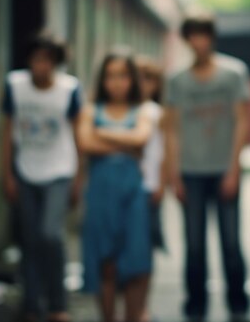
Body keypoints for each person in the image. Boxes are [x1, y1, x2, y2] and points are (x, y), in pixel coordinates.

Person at [165, 14, 250, 321]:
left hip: (223, 169)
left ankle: (238, 304)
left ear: (211, 37)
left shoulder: (233, 73)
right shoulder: (177, 80)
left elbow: (242, 120)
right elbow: (172, 129)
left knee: (230, 242)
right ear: (187, 40)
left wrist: (234, 169)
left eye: (204, 34)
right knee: (194, 244)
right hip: (191, 172)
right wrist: (173, 174)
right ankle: (195, 305)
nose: (199, 41)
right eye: (193, 35)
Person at [1, 34, 84, 322]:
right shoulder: (15, 86)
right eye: (37, 59)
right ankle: (32, 303)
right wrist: (7, 173)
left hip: (60, 169)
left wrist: (79, 179)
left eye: (48, 60)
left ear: (56, 63)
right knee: (30, 239)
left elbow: (78, 134)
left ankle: (58, 303)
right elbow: (7, 130)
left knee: (51, 234)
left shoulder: (69, 89)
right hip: (26, 168)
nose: (42, 66)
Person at [80, 52, 153, 322]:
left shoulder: (142, 110)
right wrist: (127, 143)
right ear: (102, 79)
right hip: (100, 195)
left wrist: (102, 133)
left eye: (123, 75)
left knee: (135, 262)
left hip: (132, 194)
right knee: (105, 263)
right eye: (111, 75)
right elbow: (86, 144)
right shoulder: (91, 110)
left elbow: (142, 138)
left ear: (131, 79)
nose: (117, 82)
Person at [135, 57, 167, 322]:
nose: (144, 85)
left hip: (150, 186)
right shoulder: (129, 111)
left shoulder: (158, 112)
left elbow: (164, 153)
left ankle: (141, 304)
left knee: (145, 247)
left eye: (150, 79)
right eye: (140, 78)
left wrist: (162, 184)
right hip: (129, 187)